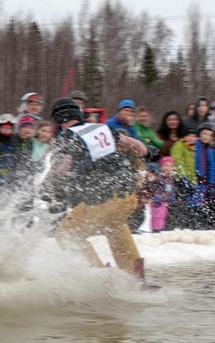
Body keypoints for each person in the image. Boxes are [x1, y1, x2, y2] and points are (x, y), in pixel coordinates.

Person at [45, 97, 149, 284]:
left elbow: (60, 169)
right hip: (127, 196)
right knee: (115, 226)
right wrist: (149, 153)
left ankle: (99, 280)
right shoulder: (102, 127)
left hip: (102, 201)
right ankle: (135, 279)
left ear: (58, 121)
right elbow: (140, 148)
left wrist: (49, 188)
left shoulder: (67, 137)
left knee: (66, 235)